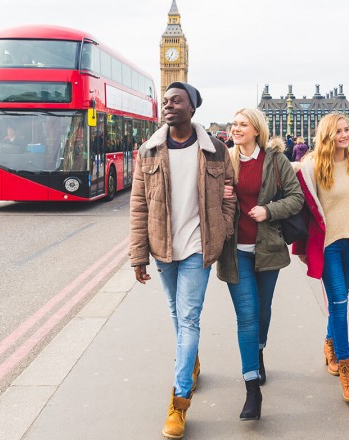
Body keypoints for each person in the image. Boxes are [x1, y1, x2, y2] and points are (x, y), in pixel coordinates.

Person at [129, 82, 236, 438]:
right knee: (176, 313)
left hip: (197, 249)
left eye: (177, 100)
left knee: (189, 318)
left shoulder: (217, 150)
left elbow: (228, 198)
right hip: (163, 249)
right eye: (166, 101)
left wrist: (223, 230)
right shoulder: (149, 151)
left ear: (192, 108)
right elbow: (139, 205)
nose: (168, 105)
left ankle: (179, 401)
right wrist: (138, 255)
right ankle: (190, 363)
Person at [216, 109, 303, 421]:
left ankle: (259, 349)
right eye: (234, 123)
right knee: (247, 318)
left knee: (263, 312)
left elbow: (296, 199)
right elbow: (209, 199)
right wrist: (219, 194)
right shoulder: (225, 159)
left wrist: (268, 210)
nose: (236, 128)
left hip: (267, 249)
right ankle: (252, 389)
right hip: (235, 250)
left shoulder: (276, 161)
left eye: (242, 124)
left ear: (256, 130)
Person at [291, 113, 349, 404]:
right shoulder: (312, 166)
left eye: (347, 129)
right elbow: (300, 204)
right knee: (339, 301)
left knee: (341, 300)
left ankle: (330, 343)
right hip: (327, 244)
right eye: (338, 131)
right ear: (327, 135)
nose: (345, 135)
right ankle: (346, 366)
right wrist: (301, 248)